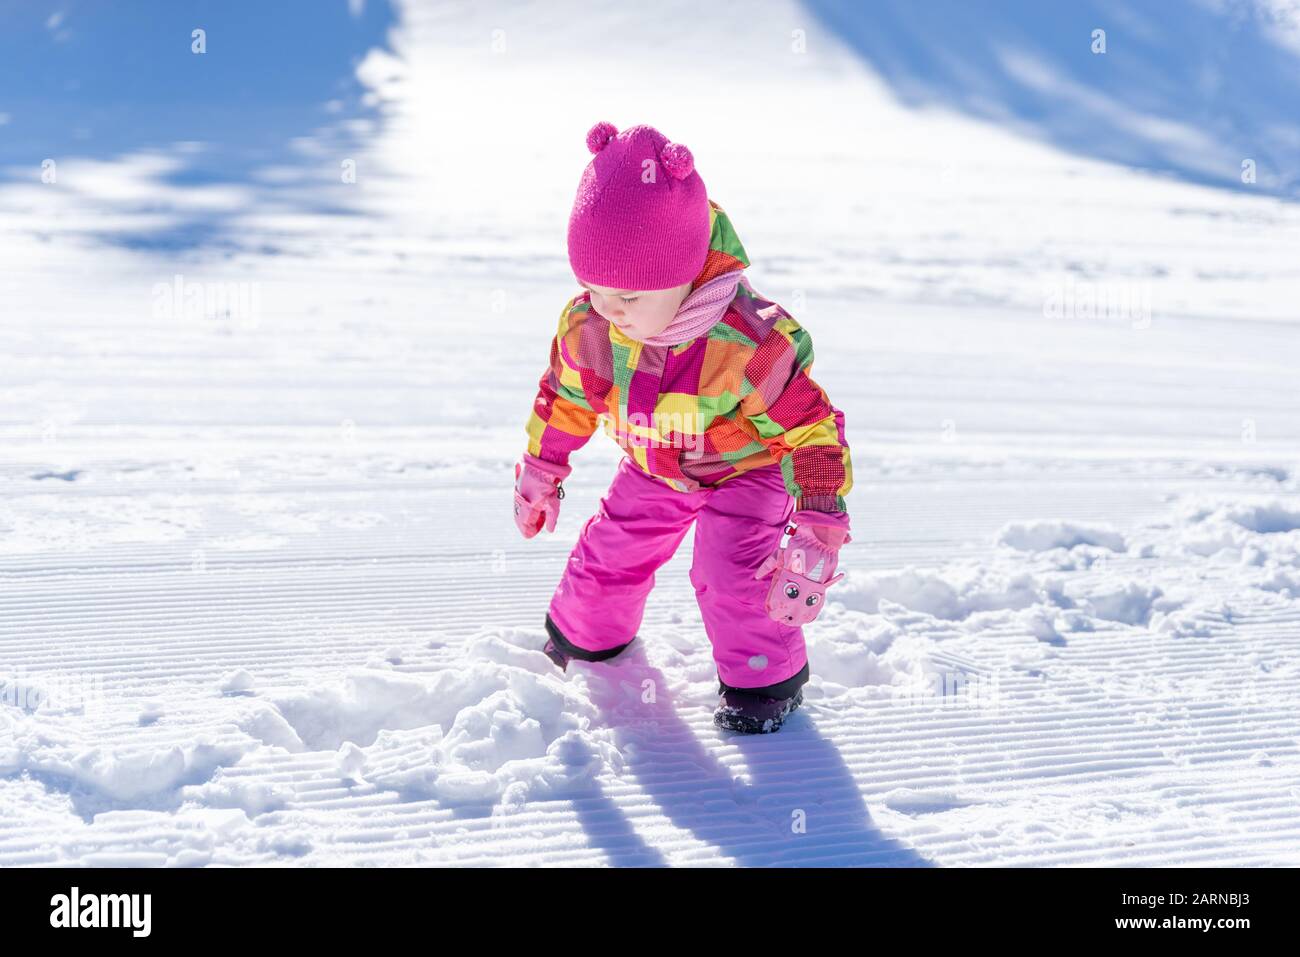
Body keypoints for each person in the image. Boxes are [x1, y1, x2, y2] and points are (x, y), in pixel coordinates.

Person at [515, 121, 853, 733]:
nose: (610, 309)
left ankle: (763, 685)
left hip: (747, 469)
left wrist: (820, 512)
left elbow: (810, 425)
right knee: (610, 552)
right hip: (655, 465)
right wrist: (543, 469)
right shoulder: (590, 328)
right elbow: (564, 394)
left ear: (687, 270)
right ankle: (586, 642)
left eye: (630, 294)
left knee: (732, 572)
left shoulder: (748, 341)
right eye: (593, 288)